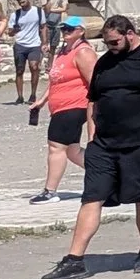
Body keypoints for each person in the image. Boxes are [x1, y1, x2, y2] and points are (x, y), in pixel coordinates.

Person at [41, 15, 140, 279]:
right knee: (91, 198)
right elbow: (93, 99)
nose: (111, 47)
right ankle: (74, 260)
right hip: (104, 146)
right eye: (107, 43)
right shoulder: (105, 63)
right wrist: (92, 137)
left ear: (130, 33)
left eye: (115, 42)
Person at [32, 18, 98, 204]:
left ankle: (50, 191)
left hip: (74, 105)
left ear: (81, 31)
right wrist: (42, 101)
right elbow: (56, 80)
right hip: (60, 106)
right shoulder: (63, 51)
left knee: (56, 146)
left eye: (70, 29)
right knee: (72, 151)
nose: (65, 32)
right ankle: (109, 174)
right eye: (63, 29)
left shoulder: (83, 52)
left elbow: (95, 81)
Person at [11, 0, 50, 111]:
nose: (22, 4)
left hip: (34, 44)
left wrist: (44, 42)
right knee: (19, 69)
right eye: (20, 3)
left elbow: (43, 27)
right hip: (20, 44)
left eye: (23, 2)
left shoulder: (38, 11)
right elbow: (9, 31)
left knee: (34, 67)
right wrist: (13, 31)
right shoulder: (16, 14)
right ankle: (20, 96)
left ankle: (33, 94)